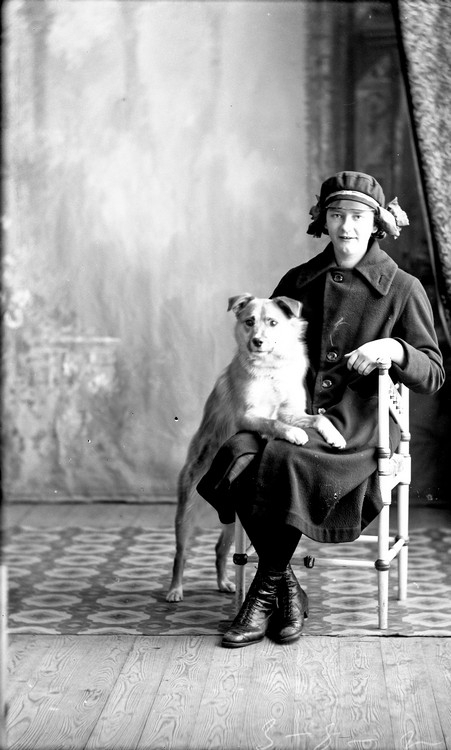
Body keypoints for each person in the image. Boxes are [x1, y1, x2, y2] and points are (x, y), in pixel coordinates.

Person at [197, 170, 445, 648]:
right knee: (236, 454)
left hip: (359, 425)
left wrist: (394, 348)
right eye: (336, 215)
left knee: (285, 458)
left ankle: (262, 597)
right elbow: (266, 336)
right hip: (292, 411)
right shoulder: (298, 280)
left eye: (358, 217)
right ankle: (287, 591)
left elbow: (433, 372)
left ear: (376, 224)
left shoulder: (402, 287)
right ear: (323, 221)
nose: (346, 227)